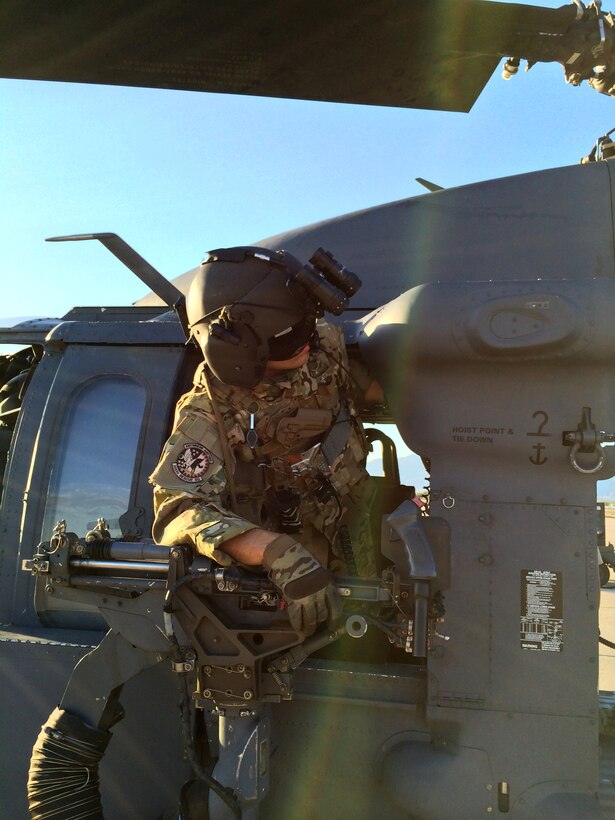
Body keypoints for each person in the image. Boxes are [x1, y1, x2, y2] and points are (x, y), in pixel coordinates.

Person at [149, 245, 382, 635]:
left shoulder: (322, 345)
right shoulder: (209, 412)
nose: (307, 341)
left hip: (359, 547)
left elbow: (373, 390)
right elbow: (178, 509)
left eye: (307, 324)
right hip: (293, 593)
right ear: (238, 352)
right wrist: (275, 552)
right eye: (289, 339)